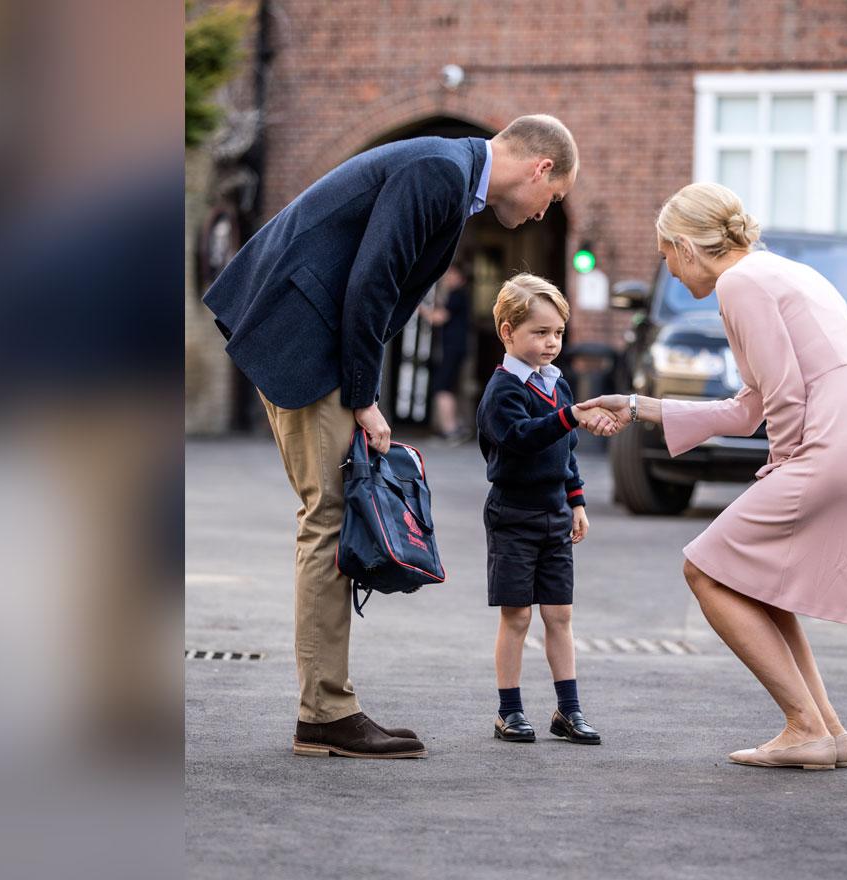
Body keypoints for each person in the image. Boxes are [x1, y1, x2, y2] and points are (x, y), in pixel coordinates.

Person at [202, 115, 579, 759]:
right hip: (306, 339)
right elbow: (371, 282)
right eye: (556, 198)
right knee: (327, 518)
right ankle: (324, 713)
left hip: (308, 334)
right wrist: (363, 395)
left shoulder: (451, 174)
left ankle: (326, 708)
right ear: (540, 168)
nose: (548, 213)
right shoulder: (439, 171)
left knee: (326, 514)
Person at [579, 182, 847, 769]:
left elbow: (782, 396)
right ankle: (825, 730)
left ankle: (805, 725)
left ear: (686, 245)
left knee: (704, 569)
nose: (673, 276)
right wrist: (636, 406)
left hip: (829, 444)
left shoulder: (740, 283)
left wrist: (782, 467)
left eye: (665, 258)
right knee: (760, 581)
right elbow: (747, 405)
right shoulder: (783, 273)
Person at [475, 274, 617, 746]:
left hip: (555, 515)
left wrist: (576, 502)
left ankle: (568, 710)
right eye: (540, 332)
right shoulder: (503, 392)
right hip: (513, 515)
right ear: (507, 333)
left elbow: (565, 451)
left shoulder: (557, 385)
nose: (551, 342)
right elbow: (521, 438)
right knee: (517, 617)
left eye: (558, 332)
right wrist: (567, 417)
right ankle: (509, 711)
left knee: (559, 616)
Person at [422, 263, 473, 443]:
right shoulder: (459, 295)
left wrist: (417, 308)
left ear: (460, 277)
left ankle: (450, 429)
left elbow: (438, 318)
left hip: (452, 348)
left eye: (450, 274)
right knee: (448, 387)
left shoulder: (457, 294)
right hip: (455, 348)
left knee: (441, 386)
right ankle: (453, 427)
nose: (446, 278)